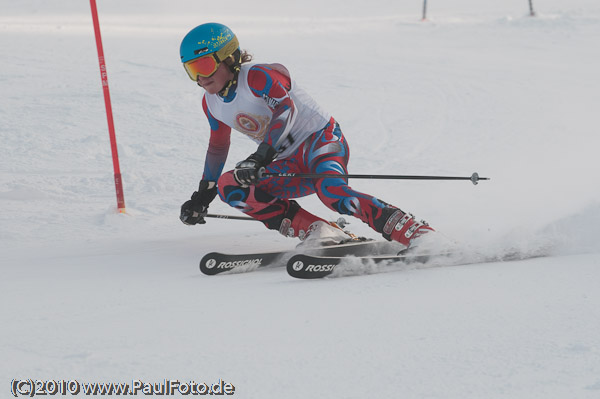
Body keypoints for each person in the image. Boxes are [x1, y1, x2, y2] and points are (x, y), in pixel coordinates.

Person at [178, 22, 434, 248]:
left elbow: (285, 110)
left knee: (333, 192)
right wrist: (203, 196)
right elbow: (218, 147)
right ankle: (320, 231)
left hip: (322, 141)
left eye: (204, 65)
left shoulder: (256, 76)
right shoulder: (211, 103)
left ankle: (416, 233)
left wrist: (260, 157)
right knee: (231, 186)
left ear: (228, 58)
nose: (200, 78)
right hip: (288, 161)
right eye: (191, 70)